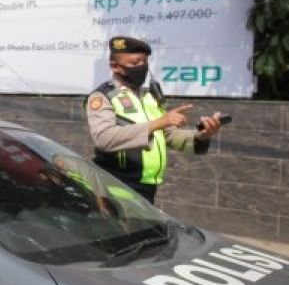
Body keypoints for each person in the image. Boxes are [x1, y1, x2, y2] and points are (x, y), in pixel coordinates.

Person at [86, 36, 223, 203]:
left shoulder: (149, 97)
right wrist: (158, 123)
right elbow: (103, 138)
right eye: (135, 63)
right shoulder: (103, 96)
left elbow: (168, 135)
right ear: (116, 67)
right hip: (115, 187)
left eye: (145, 62)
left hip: (145, 189)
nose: (142, 67)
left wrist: (202, 134)